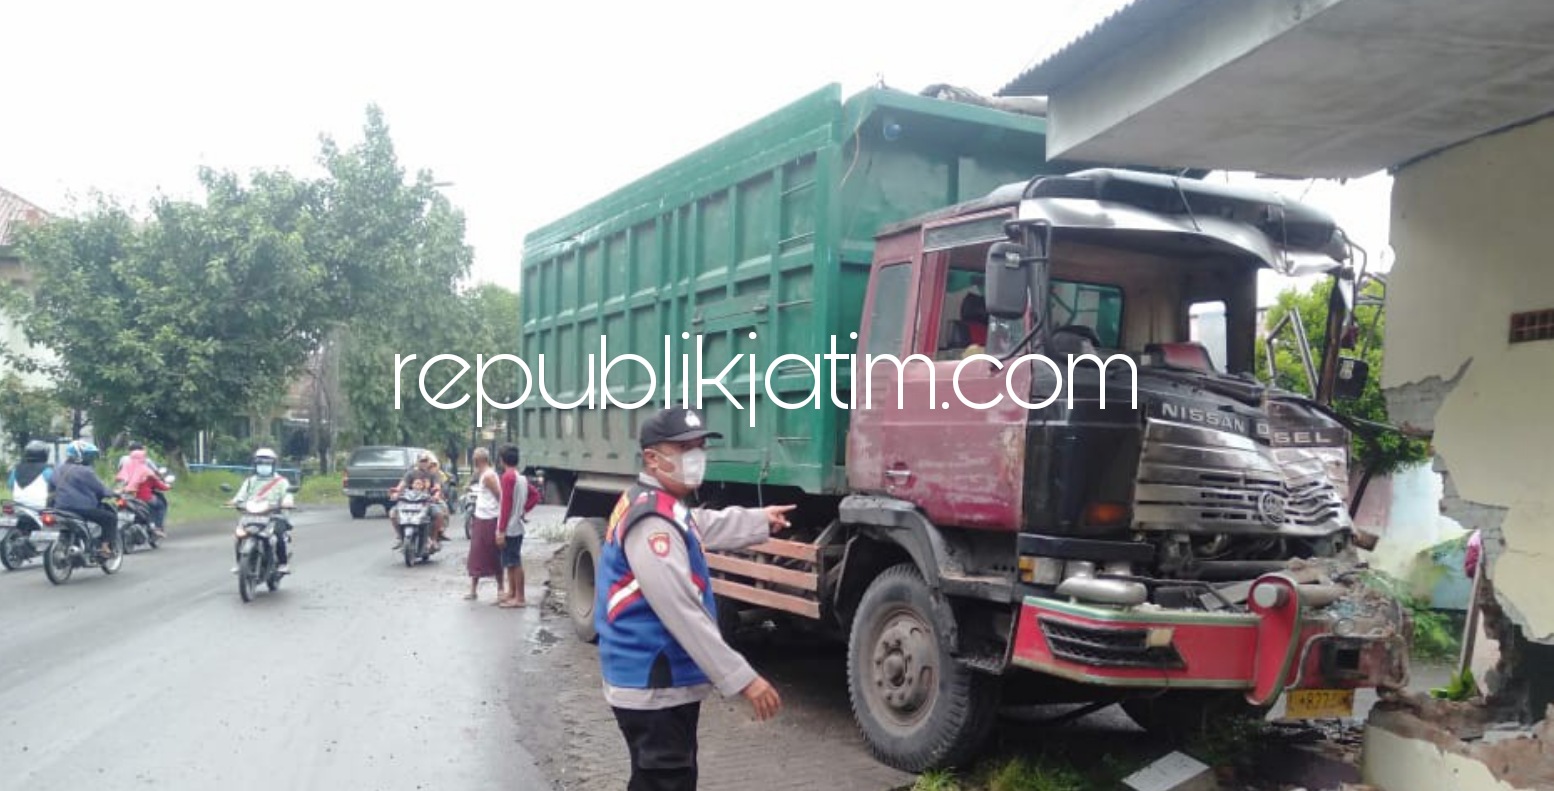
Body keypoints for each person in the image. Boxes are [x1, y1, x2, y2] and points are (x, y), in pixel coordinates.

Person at [597, 407, 792, 790]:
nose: (696, 456)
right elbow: (682, 612)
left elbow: (699, 525)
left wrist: (758, 520)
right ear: (652, 458)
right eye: (685, 448)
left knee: (654, 779)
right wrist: (742, 678)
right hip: (654, 680)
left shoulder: (655, 503)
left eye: (700, 447)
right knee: (668, 780)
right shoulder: (652, 521)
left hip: (653, 679)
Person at [228, 448, 294, 573]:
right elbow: (240, 496)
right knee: (239, 535)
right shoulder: (249, 481)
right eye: (260, 463)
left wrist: (287, 502)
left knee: (278, 536)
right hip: (251, 514)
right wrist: (234, 501)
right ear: (255, 464)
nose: (264, 466)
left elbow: (288, 495)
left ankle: (282, 563)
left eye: (267, 464)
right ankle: (239, 563)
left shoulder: (282, 482)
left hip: (274, 515)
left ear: (273, 465)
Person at [54, 440, 119, 559]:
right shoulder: (85, 471)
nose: (90, 459)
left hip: (60, 507)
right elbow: (101, 489)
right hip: (81, 509)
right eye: (87, 455)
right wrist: (114, 493)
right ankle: (105, 548)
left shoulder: (58, 469)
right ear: (79, 455)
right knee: (110, 518)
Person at [463, 447, 504, 601]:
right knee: (476, 554)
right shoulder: (480, 474)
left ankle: (500, 588)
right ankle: (473, 590)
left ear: (479, 460)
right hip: (480, 517)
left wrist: (502, 518)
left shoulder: (488, 476)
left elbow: (499, 496)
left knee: (494, 554)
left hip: (490, 518)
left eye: (474, 458)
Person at [390, 452, 446, 552]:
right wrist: (396, 492)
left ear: (429, 462)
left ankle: (433, 539)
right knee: (393, 514)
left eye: (425, 461)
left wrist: (436, 495)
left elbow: (437, 487)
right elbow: (402, 485)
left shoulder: (433, 474)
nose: (424, 463)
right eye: (422, 461)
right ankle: (400, 537)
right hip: (409, 502)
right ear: (418, 462)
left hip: (427, 502)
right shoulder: (411, 473)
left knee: (438, 514)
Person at [495, 444, 528, 608]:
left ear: (502, 460)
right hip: (517, 524)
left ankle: (519, 597)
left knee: (514, 563)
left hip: (510, 527)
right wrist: (523, 510)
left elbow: (505, 505)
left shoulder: (508, 477)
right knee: (510, 561)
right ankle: (512, 592)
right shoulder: (520, 477)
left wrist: (501, 530)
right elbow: (534, 495)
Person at [117, 447, 170, 537]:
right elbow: (159, 484)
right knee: (160, 505)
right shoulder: (146, 470)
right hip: (144, 498)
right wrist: (167, 486)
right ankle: (158, 527)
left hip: (125, 497)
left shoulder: (125, 469)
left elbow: (119, 481)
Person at [9, 439, 55, 510]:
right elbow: (56, 488)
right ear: (44, 454)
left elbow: (11, 487)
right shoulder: (48, 471)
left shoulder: (16, 470)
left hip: (19, 507)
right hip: (41, 508)